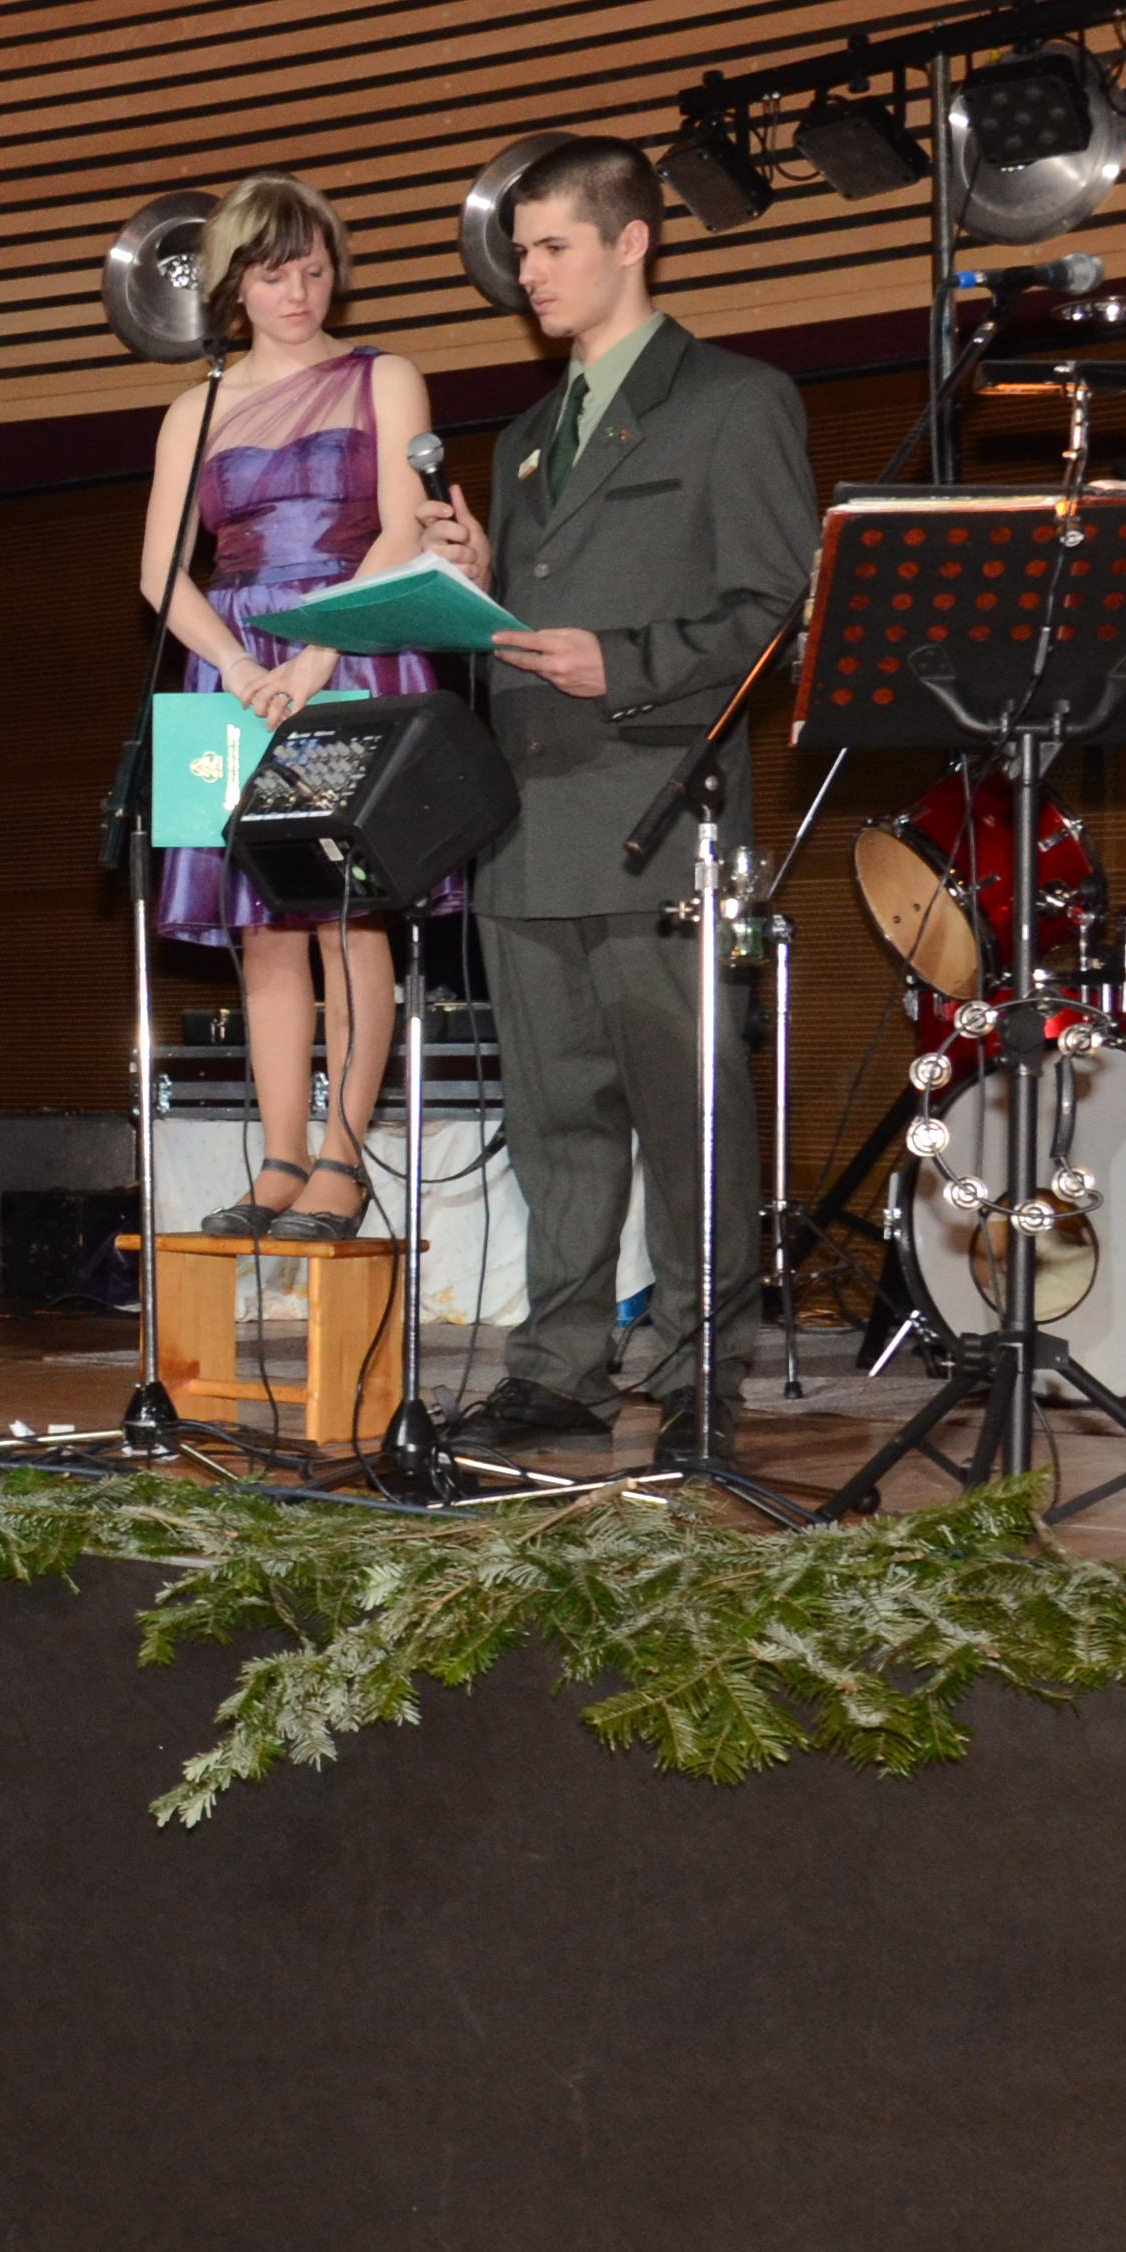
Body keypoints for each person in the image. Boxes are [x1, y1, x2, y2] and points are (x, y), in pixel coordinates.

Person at [420, 134, 813, 1460]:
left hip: (659, 818)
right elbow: (538, 613)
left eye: (551, 247)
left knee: (689, 1117)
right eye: (519, 252)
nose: (525, 273)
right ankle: (561, 1369)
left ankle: (703, 1372)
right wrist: (479, 579)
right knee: (555, 1126)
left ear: (631, 240)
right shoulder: (528, 437)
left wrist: (625, 666)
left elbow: (777, 611)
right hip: (526, 824)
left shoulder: (734, 401)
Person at [135, 173, 453, 1242]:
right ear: (234, 285)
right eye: (275, 275)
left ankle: (342, 1160)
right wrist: (234, 664)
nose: (299, 292)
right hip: (233, 667)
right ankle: (278, 1160)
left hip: (352, 648)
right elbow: (159, 572)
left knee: (346, 915)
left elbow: (404, 528)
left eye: (314, 270)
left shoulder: (384, 376)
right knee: (263, 927)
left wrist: (319, 654)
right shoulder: (195, 408)